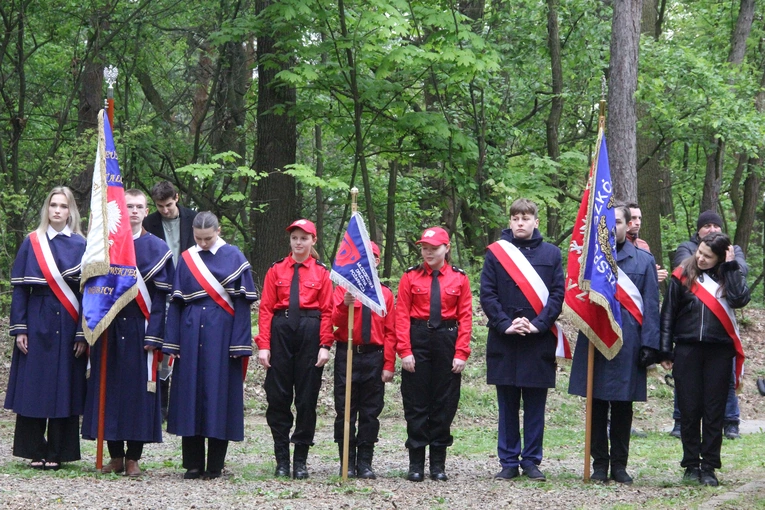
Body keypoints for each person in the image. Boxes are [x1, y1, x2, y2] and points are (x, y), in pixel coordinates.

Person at [81, 189, 175, 476]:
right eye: (128, 206)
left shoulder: (157, 247)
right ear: (120, 210)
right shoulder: (103, 246)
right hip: (109, 328)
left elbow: (160, 299)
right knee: (109, 389)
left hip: (141, 327)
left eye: (139, 207)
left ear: (147, 211)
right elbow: (90, 291)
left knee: (138, 393)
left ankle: (133, 456)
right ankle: (115, 456)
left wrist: (155, 334)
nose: (133, 211)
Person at [569, 204, 660, 484]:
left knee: (622, 406)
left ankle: (619, 465)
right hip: (596, 338)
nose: (614, 227)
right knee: (596, 405)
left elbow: (651, 306)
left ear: (628, 224)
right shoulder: (589, 260)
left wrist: (650, 345)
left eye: (619, 222)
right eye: (608, 222)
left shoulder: (643, 260)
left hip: (629, 343)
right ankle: (599, 465)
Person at [163, 211, 257, 479]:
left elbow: (241, 305)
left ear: (218, 231)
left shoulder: (235, 256)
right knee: (189, 394)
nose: (203, 243)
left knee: (219, 395)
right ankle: (192, 463)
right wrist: (173, 341)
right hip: (190, 333)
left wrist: (239, 343)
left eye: (207, 238)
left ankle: (215, 463)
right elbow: (177, 303)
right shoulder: (187, 258)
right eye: (198, 238)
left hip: (223, 333)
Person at [479, 199, 563, 482]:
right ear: (510, 221)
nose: (520, 222)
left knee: (536, 406)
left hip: (537, 341)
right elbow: (487, 294)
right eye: (515, 217)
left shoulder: (552, 254)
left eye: (525, 218)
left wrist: (538, 325)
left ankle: (531, 460)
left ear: (536, 221)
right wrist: (505, 324)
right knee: (507, 405)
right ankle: (508, 460)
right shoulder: (496, 253)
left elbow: (557, 295)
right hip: (505, 340)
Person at [4, 186, 87, 470]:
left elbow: (89, 293)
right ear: (46, 209)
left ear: (70, 210)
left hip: (68, 320)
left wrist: (82, 332)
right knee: (35, 387)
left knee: (65, 386)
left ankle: (58, 452)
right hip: (37, 318)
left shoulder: (81, 245)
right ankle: (34, 449)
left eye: (63, 206)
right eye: (53, 205)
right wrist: (20, 328)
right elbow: (19, 289)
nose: (57, 211)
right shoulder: (32, 241)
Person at [660, 232, 750, 487]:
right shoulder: (683, 274)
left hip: (719, 352)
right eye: (699, 252)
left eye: (708, 256)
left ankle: (709, 465)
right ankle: (690, 464)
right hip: (687, 349)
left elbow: (740, 300)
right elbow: (668, 314)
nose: (700, 258)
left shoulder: (729, 273)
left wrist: (731, 268)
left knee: (714, 411)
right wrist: (665, 350)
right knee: (689, 410)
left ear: (720, 258)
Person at [256, 219, 333, 480]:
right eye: (294, 238)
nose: (298, 243)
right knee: (278, 398)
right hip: (281, 331)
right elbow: (266, 309)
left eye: (304, 238)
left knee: (306, 399)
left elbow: (328, 311)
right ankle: (281, 459)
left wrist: (324, 345)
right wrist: (264, 346)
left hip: (310, 332)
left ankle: (300, 459)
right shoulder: (276, 270)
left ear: (313, 241)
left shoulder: (322, 272)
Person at [396, 227, 472, 482]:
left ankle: (438, 463)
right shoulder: (410, 277)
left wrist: (461, 352)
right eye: (425, 248)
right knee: (416, 403)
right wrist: (404, 351)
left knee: (444, 403)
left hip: (447, 341)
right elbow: (402, 315)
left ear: (446, 248)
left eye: (434, 248)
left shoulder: (459, 278)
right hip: (418, 339)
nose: (428, 252)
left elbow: (465, 317)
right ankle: (416, 462)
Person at [669, 210, 748, 440]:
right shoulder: (687, 247)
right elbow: (683, 266)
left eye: (716, 225)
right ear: (699, 230)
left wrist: (728, 264)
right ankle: (680, 421)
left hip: (720, 335)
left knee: (723, 384)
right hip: (689, 332)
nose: (712, 229)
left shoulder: (733, 251)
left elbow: (741, 273)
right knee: (686, 387)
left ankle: (730, 421)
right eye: (707, 225)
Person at [331, 241, 396, 479]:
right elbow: (334, 321)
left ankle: (365, 462)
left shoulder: (385, 294)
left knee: (370, 411)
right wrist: (343, 304)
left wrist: (389, 364)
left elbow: (391, 332)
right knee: (345, 410)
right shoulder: (343, 290)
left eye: (371, 259)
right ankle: (346, 461)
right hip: (347, 354)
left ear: (377, 262)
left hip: (374, 358)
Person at [142, 180, 198, 420]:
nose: (164, 210)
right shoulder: (148, 224)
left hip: (188, 289)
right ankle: (160, 404)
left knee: (185, 348)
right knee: (160, 346)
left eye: (168, 204)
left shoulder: (195, 219)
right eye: (159, 206)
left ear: (177, 197)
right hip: (158, 290)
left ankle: (182, 404)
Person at [626, 202, 668, 283]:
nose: (638, 223)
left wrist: (651, 273)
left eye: (639, 218)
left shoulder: (643, 245)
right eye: (633, 218)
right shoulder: (616, 245)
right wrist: (650, 275)